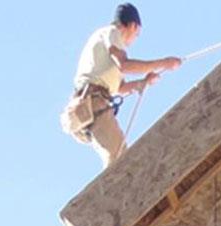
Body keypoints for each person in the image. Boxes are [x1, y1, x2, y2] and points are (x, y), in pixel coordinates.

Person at [63, 4, 183, 169]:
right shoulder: (112, 33)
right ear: (133, 26)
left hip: (88, 105)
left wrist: (144, 82)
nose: (133, 40)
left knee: (117, 156)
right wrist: (164, 63)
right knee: (119, 158)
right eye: (137, 34)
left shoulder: (104, 49)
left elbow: (120, 87)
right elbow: (124, 65)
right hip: (93, 103)